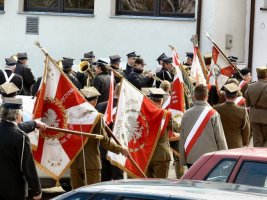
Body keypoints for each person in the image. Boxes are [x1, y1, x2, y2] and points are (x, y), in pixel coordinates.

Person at [70, 86, 129, 188]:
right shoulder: (96, 117)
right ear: (94, 101)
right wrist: (121, 149)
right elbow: (105, 141)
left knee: (77, 193)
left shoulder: (71, 115)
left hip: (74, 162)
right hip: (91, 163)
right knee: (92, 194)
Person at [0, 98, 42, 200]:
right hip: (14, 191)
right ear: (18, 116)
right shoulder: (20, 137)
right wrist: (37, 190)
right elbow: (27, 167)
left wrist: (34, 124)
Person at [179, 84, 227, 169]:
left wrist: (183, 159)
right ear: (207, 96)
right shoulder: (213, 114)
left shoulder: (186, 114)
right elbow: (220, 138)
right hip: (209, 158)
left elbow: (182, 137)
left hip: (191, 157)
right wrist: (225, 159)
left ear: (194, 96)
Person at [96, 83, 124, 182]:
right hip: (117, 148)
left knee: (104, 181)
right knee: (118, 180)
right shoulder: (123, 108)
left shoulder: (100, 106)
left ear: (115, 91)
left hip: (102, 147)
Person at [143, 88, 172, 178]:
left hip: (146, 153)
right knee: (161, 185)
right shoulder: (166, 114)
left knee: (148, 185)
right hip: (161, 154)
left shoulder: (144, 114)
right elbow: (176, 127)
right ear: (161, 101)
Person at [214, 83, 250, 149]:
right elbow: (246, 130)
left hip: (219, 145)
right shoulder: (242, 111)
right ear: (236, 95)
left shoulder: (216, 108)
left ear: (225, 94)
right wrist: (245, 143)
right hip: (236, 145)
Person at [245, 66, 267, 147]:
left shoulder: (250, 86)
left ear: (257, 75)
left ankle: (256, 157)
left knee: (257, 141)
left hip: (254, 117)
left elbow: (247, 103)